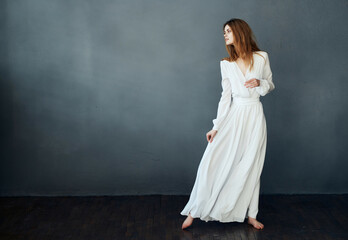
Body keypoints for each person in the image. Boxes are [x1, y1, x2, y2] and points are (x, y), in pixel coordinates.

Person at [180, 18, 275, 230]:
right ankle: (194, 211)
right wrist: (216, 126)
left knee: (252, 164)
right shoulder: (226, 64)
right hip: (234, 115)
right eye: (224, 32)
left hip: (255, 115)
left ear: (240, 32)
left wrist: (260, 83)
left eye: (228, 31)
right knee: (211, 161)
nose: (225, 35)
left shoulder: (261, 57)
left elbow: (270, 84)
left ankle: (251, 214)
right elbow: (225, 98)